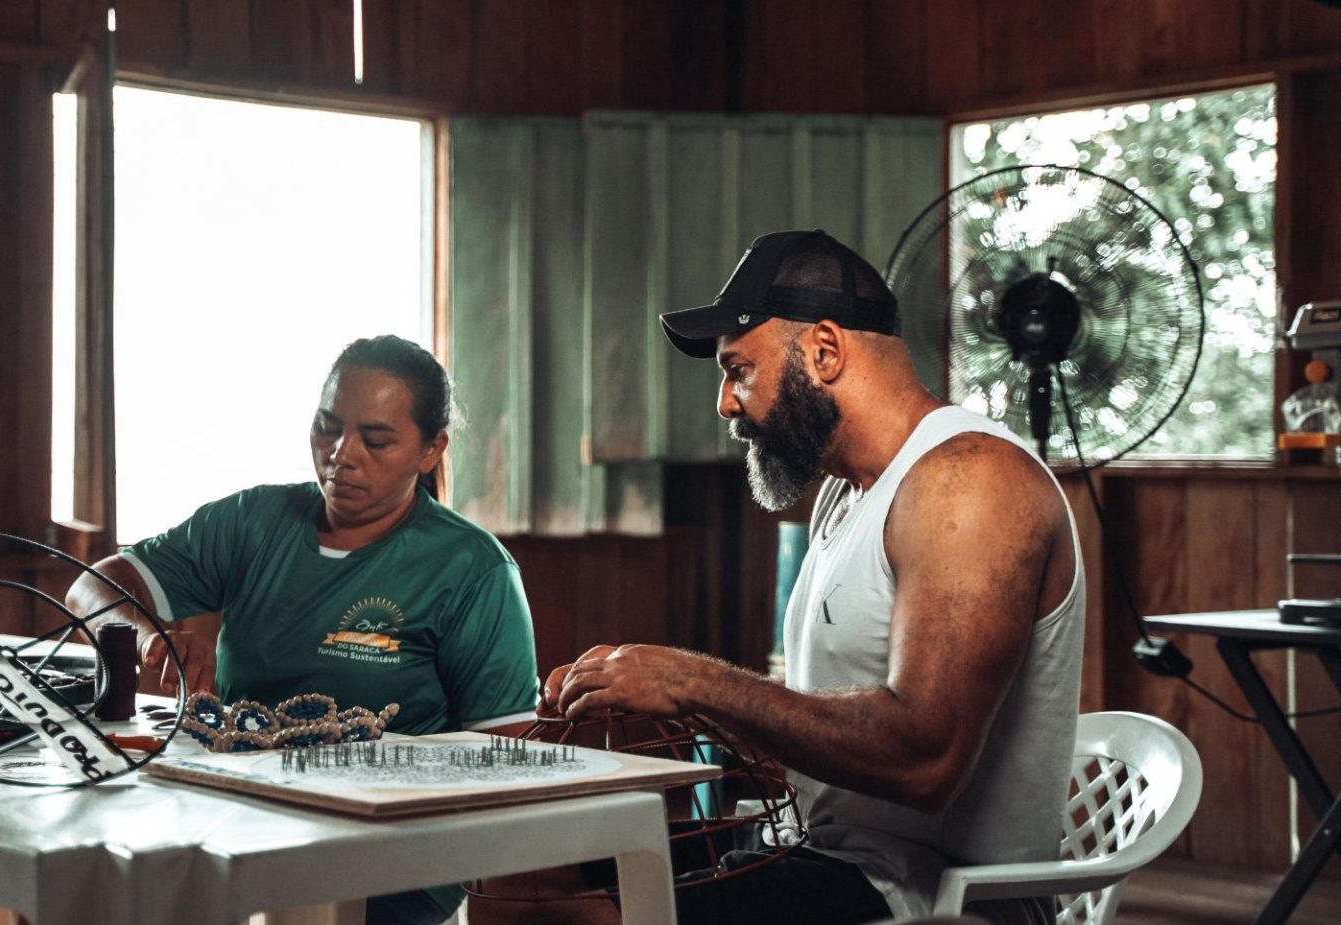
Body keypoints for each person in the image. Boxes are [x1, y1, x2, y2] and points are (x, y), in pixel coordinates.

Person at [541, 230, 1084, 925]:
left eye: (739, 370)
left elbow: (926, 759)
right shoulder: (844, 491)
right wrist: (650, 695)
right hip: (820, 856)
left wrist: (693, 681)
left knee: (576, 918)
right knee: (540, 868)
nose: (725, 403)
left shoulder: (969, 480)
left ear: (825, 350)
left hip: (931, 897)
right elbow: (820, 724)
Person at [67, 334, 540, 925]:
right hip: (240, 819)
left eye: (376, 440)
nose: (342, 454)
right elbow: (91, 588)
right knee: (92, 880)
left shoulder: (472, 569)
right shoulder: (252, 522)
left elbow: (506, 755)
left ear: (431, 449)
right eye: (327, 428)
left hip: (391, 852)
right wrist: (143, 637)